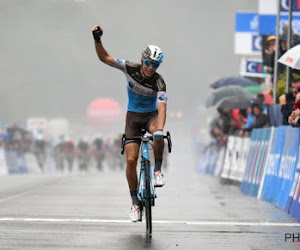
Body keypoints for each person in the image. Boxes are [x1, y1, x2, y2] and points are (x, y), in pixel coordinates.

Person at [91, 25, 167, 222]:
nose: (151, 68)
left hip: (150, 116)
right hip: (133, 117)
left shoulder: (159, 82)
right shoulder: (129, 68)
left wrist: (159, 129)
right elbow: (104, 58)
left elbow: (162, 108)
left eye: (155, 65)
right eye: (149, 63)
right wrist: (97, 40)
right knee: (131, 160)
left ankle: (157, 170)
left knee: (160, 134)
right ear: (142, 60)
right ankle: (135, 202)